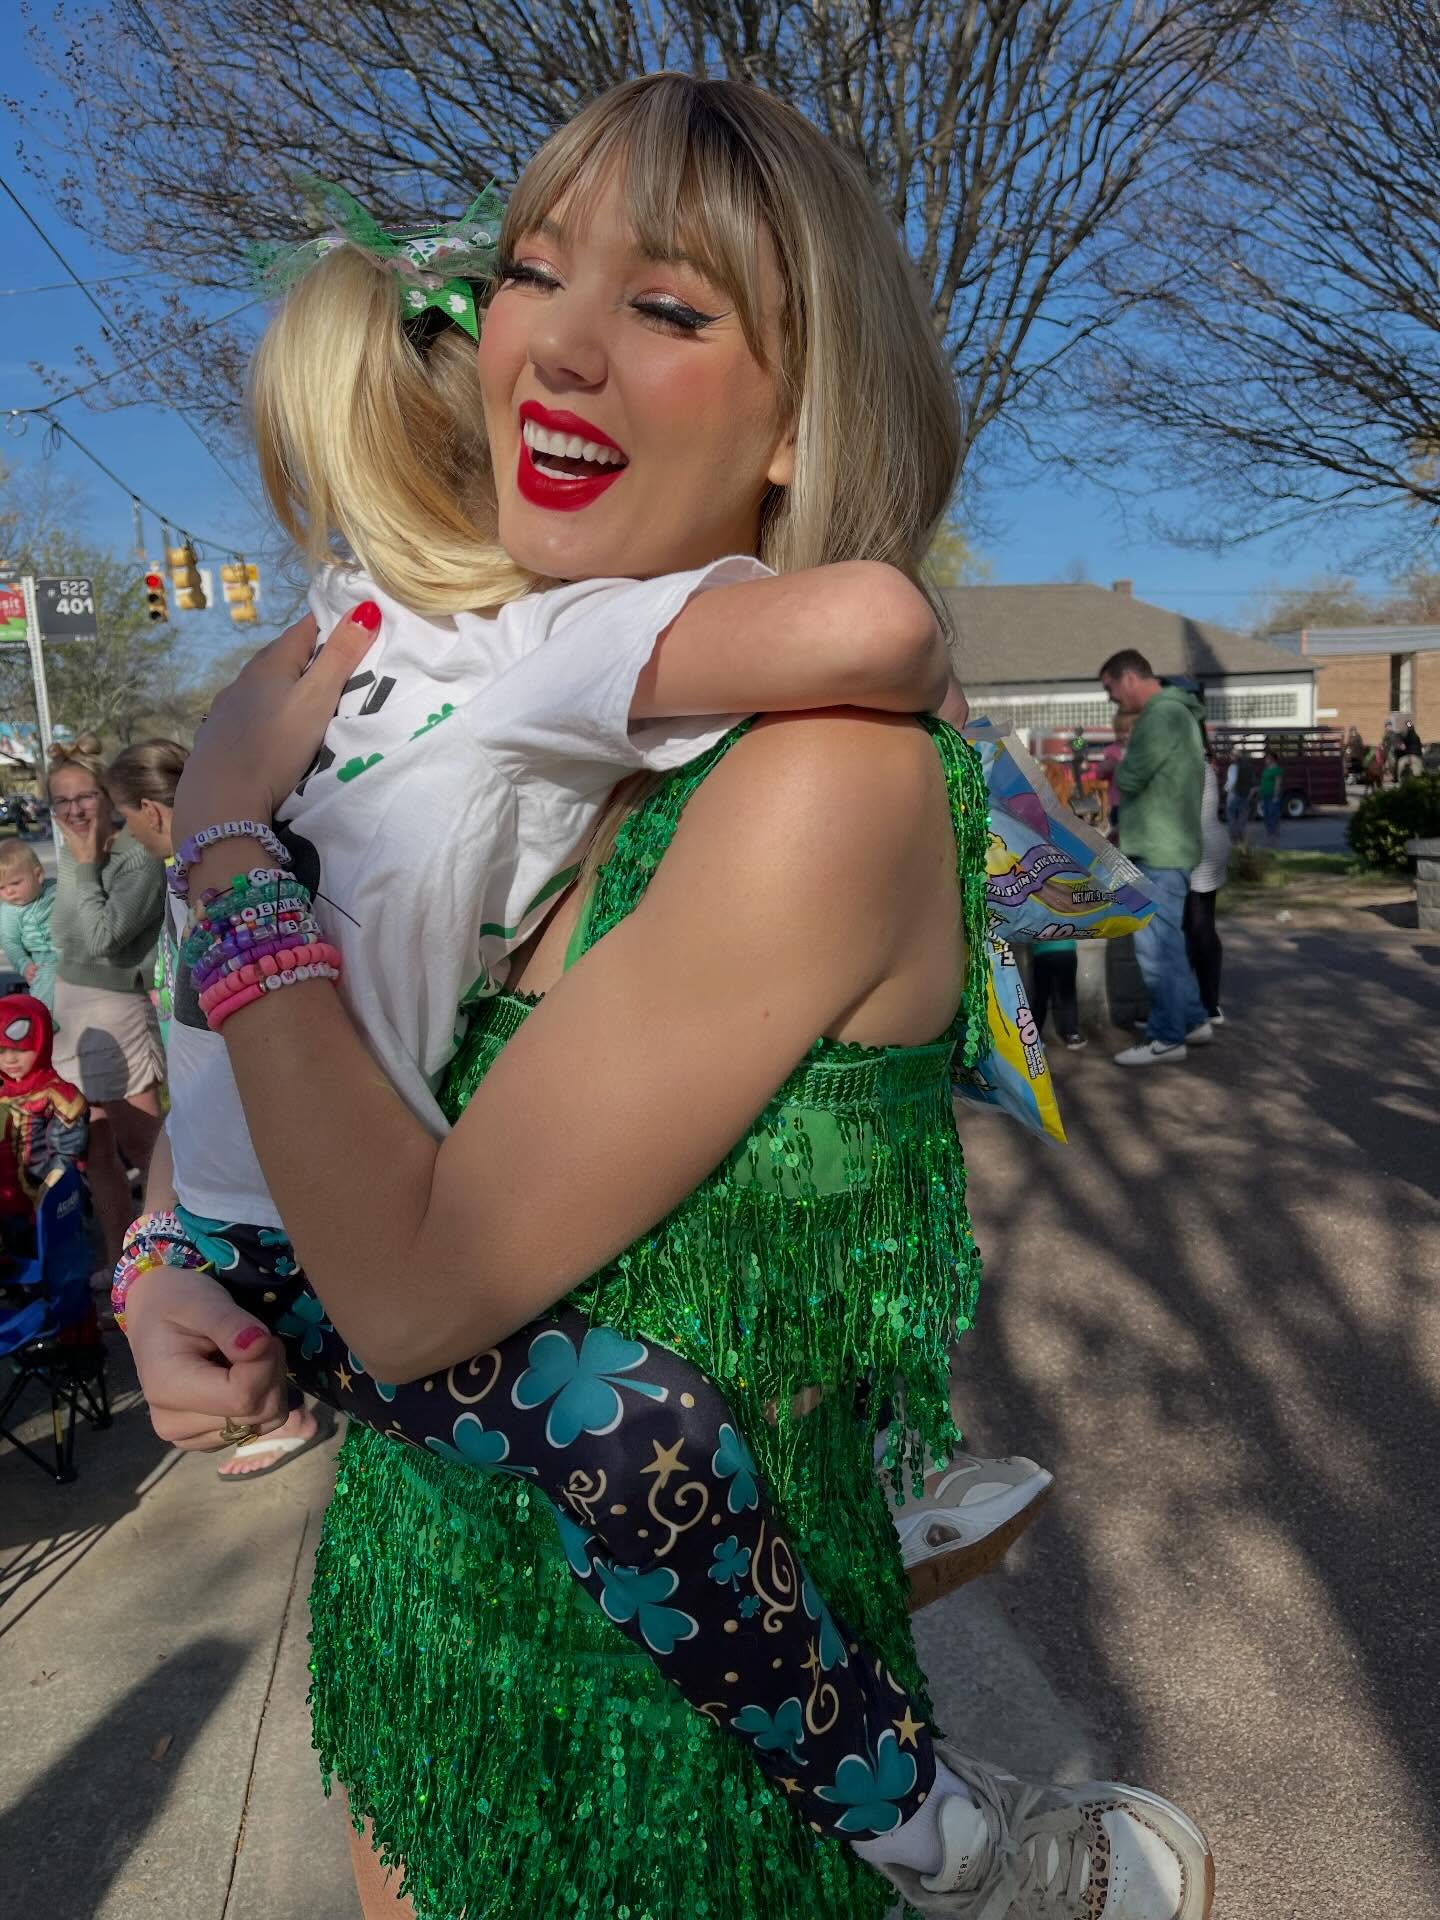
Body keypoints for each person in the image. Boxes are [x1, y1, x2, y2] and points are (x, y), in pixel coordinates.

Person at [124, 76, 1213, 1920]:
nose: (558, 346)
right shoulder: (470, 709)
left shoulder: (817, 784)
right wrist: (163, 1271)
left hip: (678, 1793)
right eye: (536, 276)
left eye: (670, 306)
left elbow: (401, 1296)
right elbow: (274, 1103)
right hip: (413, 1675)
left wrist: (221, 844)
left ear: (801, 419)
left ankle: (942, 1824)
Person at [106, 736, 329, 1481]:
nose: (121, 834)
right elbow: (198, 1073)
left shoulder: (257, 867)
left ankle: (287, 1409)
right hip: (226, 1189)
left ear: (148, 809)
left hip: (290, 1203)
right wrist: (154, 1261)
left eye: (120, 818)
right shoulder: (189, 880)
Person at [47, 737, 166, 1266]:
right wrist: (80, 864)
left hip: (118, 1009)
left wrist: (84, 863)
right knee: (94, 1148)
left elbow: (99, 938)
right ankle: (124, 1261)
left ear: (108, 796)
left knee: (147, 1147)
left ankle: (171, 1259)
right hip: (70, 1010)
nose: (74, 810)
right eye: (61, 801)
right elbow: (62, 934)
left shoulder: (136, 857)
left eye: (84, 797)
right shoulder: (77, 857)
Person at [1099, 652, 1210, 1067]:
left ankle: (1167, 1037)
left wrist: (1124, 773)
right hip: (1170, 843)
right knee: (1169, 944)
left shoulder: (1160, 716)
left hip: (1158, 848)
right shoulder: (1179, 713)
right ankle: (1192, 1019)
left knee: (1156, 948)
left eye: (1110, 688)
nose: (1113, 700)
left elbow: (1129, 777)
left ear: (1128, 678)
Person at [0, 992, 87, 1268]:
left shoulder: (58, 1094)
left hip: (41, 1192)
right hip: (8, 1195)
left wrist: (54, 1183)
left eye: (21, 1049)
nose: (10, 1059)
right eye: (2, 1051)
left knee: (51, 1260)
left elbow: (68, 1149)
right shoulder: (4, 1093)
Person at [1184, 744, 1229, 1027]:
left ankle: (1196, 1005)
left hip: (1195, 849)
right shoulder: (1202, 766)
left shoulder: (1183, 766)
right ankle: (1209, 1003)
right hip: (1212, 844)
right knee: (1202, 926)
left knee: (1192, 928)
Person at [0, 841, 59, 1006]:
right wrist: (24, 965)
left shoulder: (54, 889)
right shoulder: (9, 912)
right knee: (46, 991)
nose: (9, 892)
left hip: (74, 948)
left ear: (38, 875)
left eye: (15, 883)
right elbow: (10, 943)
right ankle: (48, 1023)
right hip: (44, 958)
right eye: (1, 888)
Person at [1029, 937, 1085, 1049]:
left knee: (1041, 996)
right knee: (1068, 994)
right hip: (1066, 949)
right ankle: (1072, 1035)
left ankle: (1033, 1037)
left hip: (1041, 952)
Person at [1258, 747, 1284, 839]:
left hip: (1272, 795)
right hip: (1264, 795)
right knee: (1266, 815)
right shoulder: (1266, 770)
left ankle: (1274, 832)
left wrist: (1275, 796)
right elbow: (1262, 782)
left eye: (1267, 758)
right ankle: (1269, 831)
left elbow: (1278, 783)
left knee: (1273, 814)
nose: (1265, 760)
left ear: (1272, 759)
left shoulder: (1277, 769)